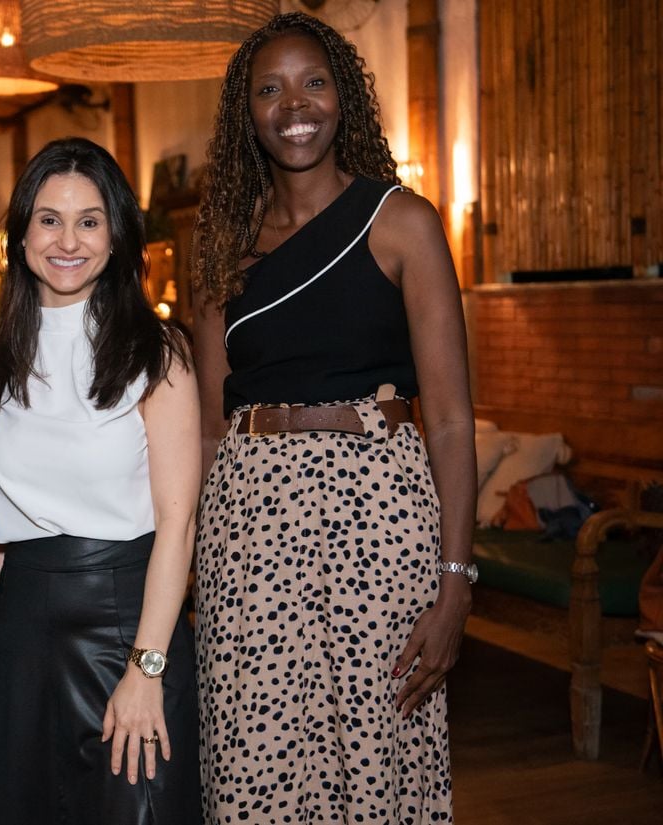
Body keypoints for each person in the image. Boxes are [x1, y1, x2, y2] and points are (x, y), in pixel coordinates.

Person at [190, 12, 475, 824]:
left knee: (374, 755)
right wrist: (195, 564)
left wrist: (455, 586)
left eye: (313, 82)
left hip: (379, 516)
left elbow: (452, 419)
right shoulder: (217, 249)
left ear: (344, 97)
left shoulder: (404, 223)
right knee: (254, 756)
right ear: (245, 113)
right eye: (269, 89)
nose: (294, 105)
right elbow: (211, 428)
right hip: (250, 525)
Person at [0, 137, 202, 825]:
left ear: (118, 235)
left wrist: (146, 669)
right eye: (49, 218)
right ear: (22, 235)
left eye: (90, 220)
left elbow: (178, 521)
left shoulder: (158, 353)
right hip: (20, 635)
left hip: (126, 622)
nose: (68, 239)